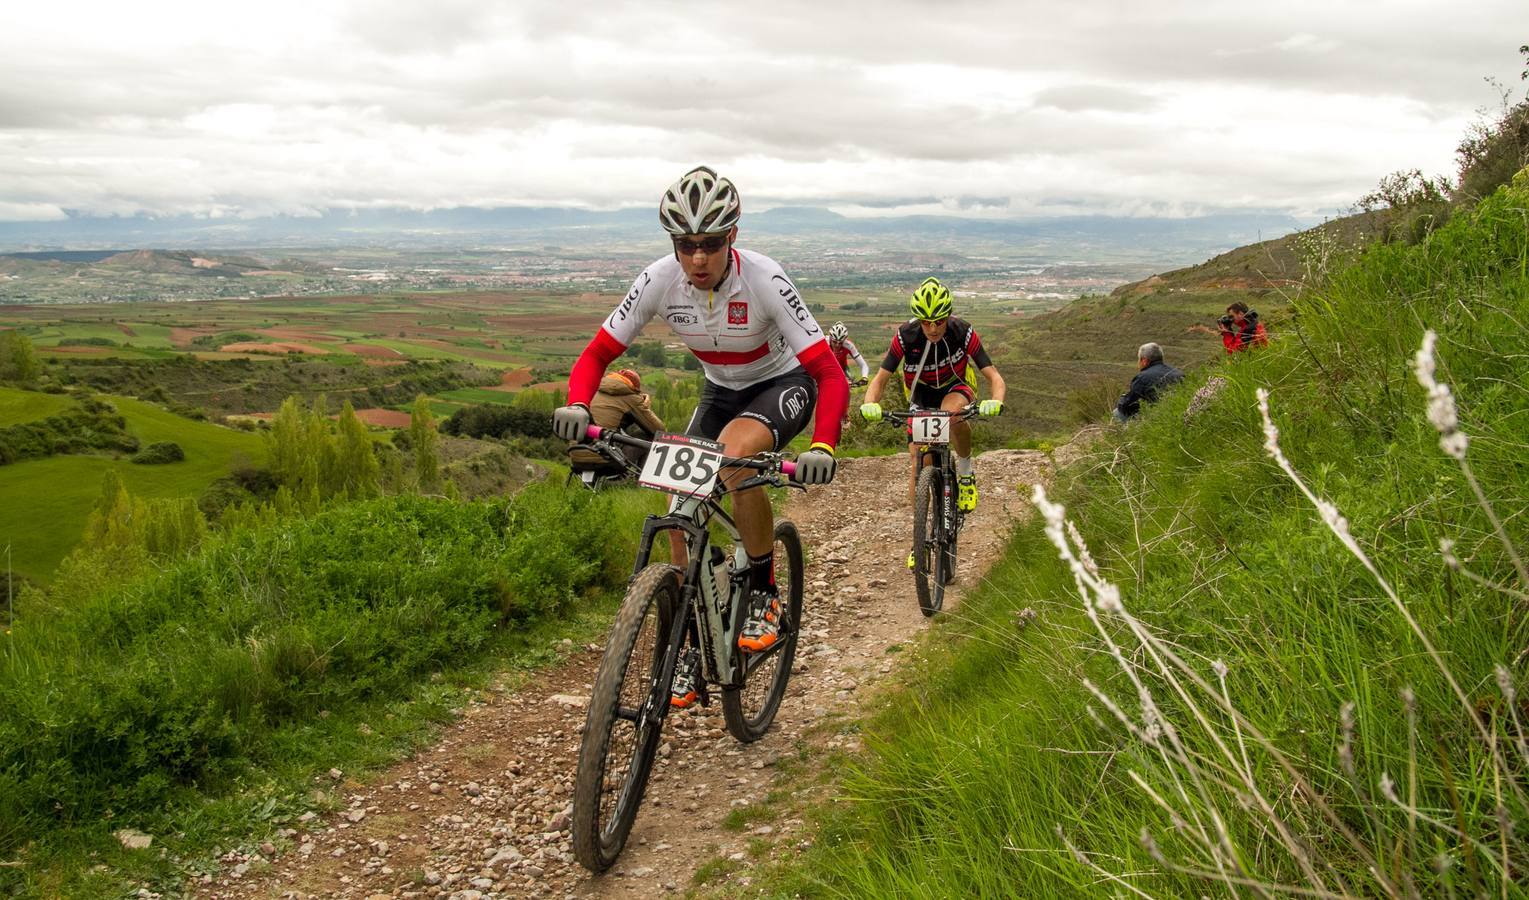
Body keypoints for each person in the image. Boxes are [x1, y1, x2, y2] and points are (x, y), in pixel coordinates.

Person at [552, 165, 847, 708]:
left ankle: (764, 593)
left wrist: (823, 444)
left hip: (781, 383)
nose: (698, 260)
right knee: (678, 498)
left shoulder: (764, 279)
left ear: (731, 237)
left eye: (710, 244)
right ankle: (688, 639)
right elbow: (597, 354)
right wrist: (577, 403)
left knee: (733, 459)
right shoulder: (658, 279)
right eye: (685, 245)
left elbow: (828, 373)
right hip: (718, 391)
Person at [858, 277, 1005, 528]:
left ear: (948, 316)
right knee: (918, 459)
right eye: (926, 322)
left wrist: (995, 401)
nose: (933, 328)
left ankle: (966, 474)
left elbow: (994, 376)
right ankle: (920, 534)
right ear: (919, 319)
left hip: (955, 385)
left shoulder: (963, 331)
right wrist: (870, 403)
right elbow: (880, 379)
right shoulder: (906, 336)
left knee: (953, 414)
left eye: (939, 321)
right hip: (921, 394)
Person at [567, 368, 665, 472]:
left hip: (575, 456)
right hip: (606, 459)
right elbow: (658, 429)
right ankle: (640, 480)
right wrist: (645, 406)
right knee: (649, 437)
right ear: (633, 388)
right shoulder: (630, 397)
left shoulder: (591, 391)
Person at [1113, 343, 1183, 422]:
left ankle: (1123, 434)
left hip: (1153, 419)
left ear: (1144, 361)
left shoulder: (1142, 378)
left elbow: (1127, 405)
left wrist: (1122, 400)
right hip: (1177, 415)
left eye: (1139, 359)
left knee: (1117, 413)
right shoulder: (1178, 373)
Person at [1191, 301, 1268, 353]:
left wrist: (1226, 332)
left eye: (1231, 316)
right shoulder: (1252, 325)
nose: (1231, 320)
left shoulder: (1249, 329)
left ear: (1240, 314)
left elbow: (1233, 352)